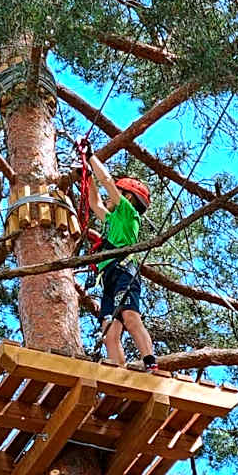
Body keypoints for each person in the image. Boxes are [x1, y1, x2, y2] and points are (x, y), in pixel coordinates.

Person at [83, 145, 157, 370]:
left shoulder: (128, 213)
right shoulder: (113, 220)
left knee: (130, 316)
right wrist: (86, 176)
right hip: (109, 276)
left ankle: (150, 362)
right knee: (108, 326)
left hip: (125, 271)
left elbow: (106, 180)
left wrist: (90, 157)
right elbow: (94, 203)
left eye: (115, 192)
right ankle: (117, 365)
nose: (109, 196)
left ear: (127, 197)